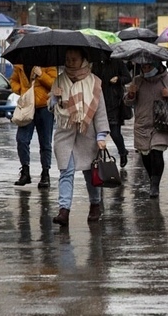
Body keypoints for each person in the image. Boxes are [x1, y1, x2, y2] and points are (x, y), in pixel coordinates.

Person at [49, 47, 110, 226]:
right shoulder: (59, 80)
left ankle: (95, 204)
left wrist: (101, 136)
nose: (69, 62)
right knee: (65, 171)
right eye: (67, 59)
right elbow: (52, 108)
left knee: (90, 173)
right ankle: (64, 210)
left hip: (88, 133)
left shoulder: (94, 82)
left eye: (73, 59)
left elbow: (100, 111)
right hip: (65, 133)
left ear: (83, 60)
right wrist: (54, 99)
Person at [124, 61, 168, 198]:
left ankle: (155, 185)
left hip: (161, 122)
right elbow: (127, 102)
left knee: (157, 152)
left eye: (149, 66)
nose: (146, 69)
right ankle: (152, 178)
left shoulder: (167, 79)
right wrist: (131, 94)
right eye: (143, 66)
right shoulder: (137, 80)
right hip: (142, 123)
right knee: (145, 154)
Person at [10, 64, 57, 187]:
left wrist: (41, 74)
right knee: (22, 139)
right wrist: (20, 90)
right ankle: (25, 171)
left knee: (45, 142)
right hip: (27, 107)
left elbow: (54, 83)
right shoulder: (19, 65)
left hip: (44, 107)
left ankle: (45, 174)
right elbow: (13, 80)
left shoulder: (47, 63)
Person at [91, 58, 132, 167]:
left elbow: (128, 77)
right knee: (98, 133)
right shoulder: (96, 63)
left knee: (115, 133)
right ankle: (99, 159)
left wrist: (118, 79)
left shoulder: (117, 62)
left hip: (114, 102)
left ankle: (122, 152)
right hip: (99, 100)